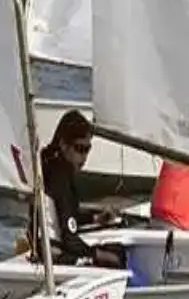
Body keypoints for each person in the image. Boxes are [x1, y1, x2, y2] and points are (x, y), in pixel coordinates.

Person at [33, 111, 124, 268]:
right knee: (116, 255)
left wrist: (95, 218)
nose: (84, 157)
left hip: (46, 249)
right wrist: (100, 254)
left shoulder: (48, 163)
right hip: (55, 257)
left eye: (87, 149)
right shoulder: (59, 177)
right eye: (79, 149)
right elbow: (70, 240)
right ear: (63, 145)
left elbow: (66, 216)